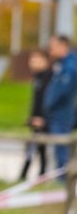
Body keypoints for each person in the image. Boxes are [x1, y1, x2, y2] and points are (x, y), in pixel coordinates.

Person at [44, 34, 77, 175]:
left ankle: (64, 182)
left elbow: (64, 90)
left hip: (63, 114)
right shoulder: (62, 64)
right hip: (58, 113)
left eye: (52, 47)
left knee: (62, 150)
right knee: (59, 150)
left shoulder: (70, 65)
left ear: (62, 46)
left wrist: (50, 104)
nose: (50, 51)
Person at [21, 48, 51, 180]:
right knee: (38, 149)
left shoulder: (48, 78)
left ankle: (25, 176)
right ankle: (39, 175)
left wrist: (42, 118)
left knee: (39, 148)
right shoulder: (37, 78)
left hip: (43, 120)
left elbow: (46, 101)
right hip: (36, 119)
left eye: (35, 60)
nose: (31, 63)